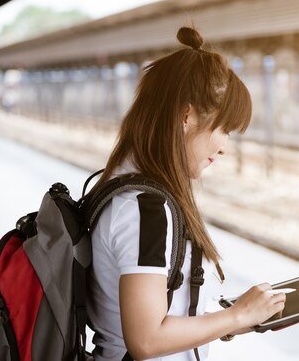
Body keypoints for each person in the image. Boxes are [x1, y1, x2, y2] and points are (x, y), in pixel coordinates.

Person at [86, 26, 286, 361]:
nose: (223, 147)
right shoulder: (145, 210)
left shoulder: (131, 191)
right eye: (223, 129)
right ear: (186, 115)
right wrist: (236, 315)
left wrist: (235, 321)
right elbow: (146, 340)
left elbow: (161, 314)